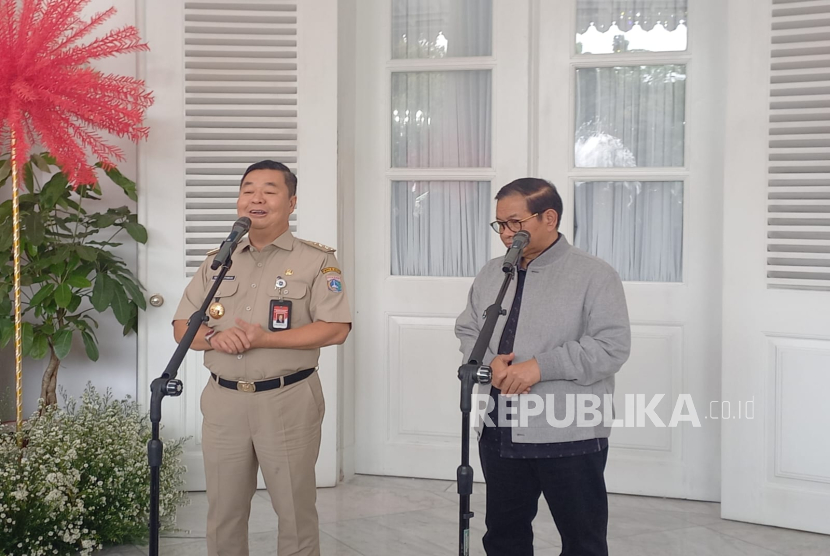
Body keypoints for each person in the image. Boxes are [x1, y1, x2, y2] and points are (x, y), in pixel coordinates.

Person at [172, 160, 352, 556]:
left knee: (294, 510)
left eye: (269, 190)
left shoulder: (316, 260)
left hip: (287, 399)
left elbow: (336, 328)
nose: (256, 198)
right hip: (223, 401)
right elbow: (182, 324)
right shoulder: (219, 260)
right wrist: (215, 338)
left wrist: (267, 339)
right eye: (248, 189)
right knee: (223, 512)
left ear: (291, 203)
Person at [455, 178, 630, 556]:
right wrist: (488, 363)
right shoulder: (492, 272)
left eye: (515, 223)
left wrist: (540, 367)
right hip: (500, 427)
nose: (506, 234)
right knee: (503, 536)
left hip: (570, 430)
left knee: (583, 540)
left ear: (549, 218)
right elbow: (468, 327)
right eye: (500, 224)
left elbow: (611, 346)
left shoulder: (594, 274)